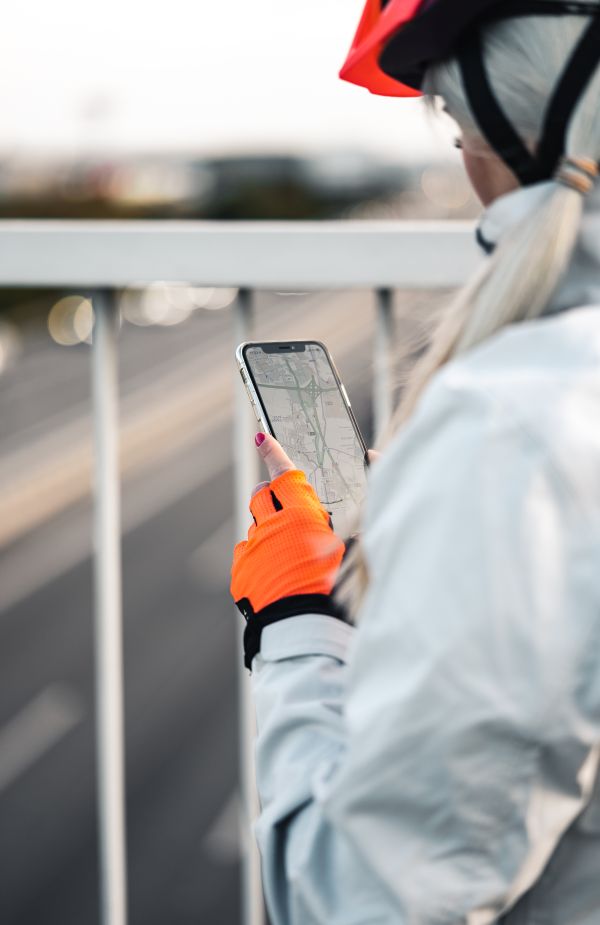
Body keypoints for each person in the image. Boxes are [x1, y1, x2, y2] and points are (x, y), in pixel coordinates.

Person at [230, 1, 600, 921]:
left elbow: (357, 899)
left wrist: (298, 615)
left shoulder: (513, 427)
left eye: (449, 119)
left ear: (492, 131)